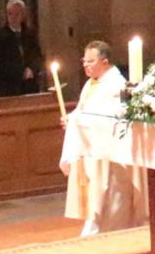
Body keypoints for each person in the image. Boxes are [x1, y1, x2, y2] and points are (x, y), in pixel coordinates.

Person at [60, 40, 143, 236]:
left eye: (90, 61)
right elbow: (83, 110)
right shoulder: (91, 83)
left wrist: (78, 121)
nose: (85, 65)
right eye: (84, 61)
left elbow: (110, 117)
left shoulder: (116, 84)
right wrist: (71, 119)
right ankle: (96, 227)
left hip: (109, 152)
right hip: (92, 150)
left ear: (105, 62)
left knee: (111, 194)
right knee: (96, 193)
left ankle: (110, 229)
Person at [0, 0, 45, 98]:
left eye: (17, 14)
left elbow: (38, 56)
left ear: (23, 15)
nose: (13, 17)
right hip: (7, 89)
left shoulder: (29, 35)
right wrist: (21, 73)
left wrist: (32, 69)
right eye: (10, 14)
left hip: (28, 87)